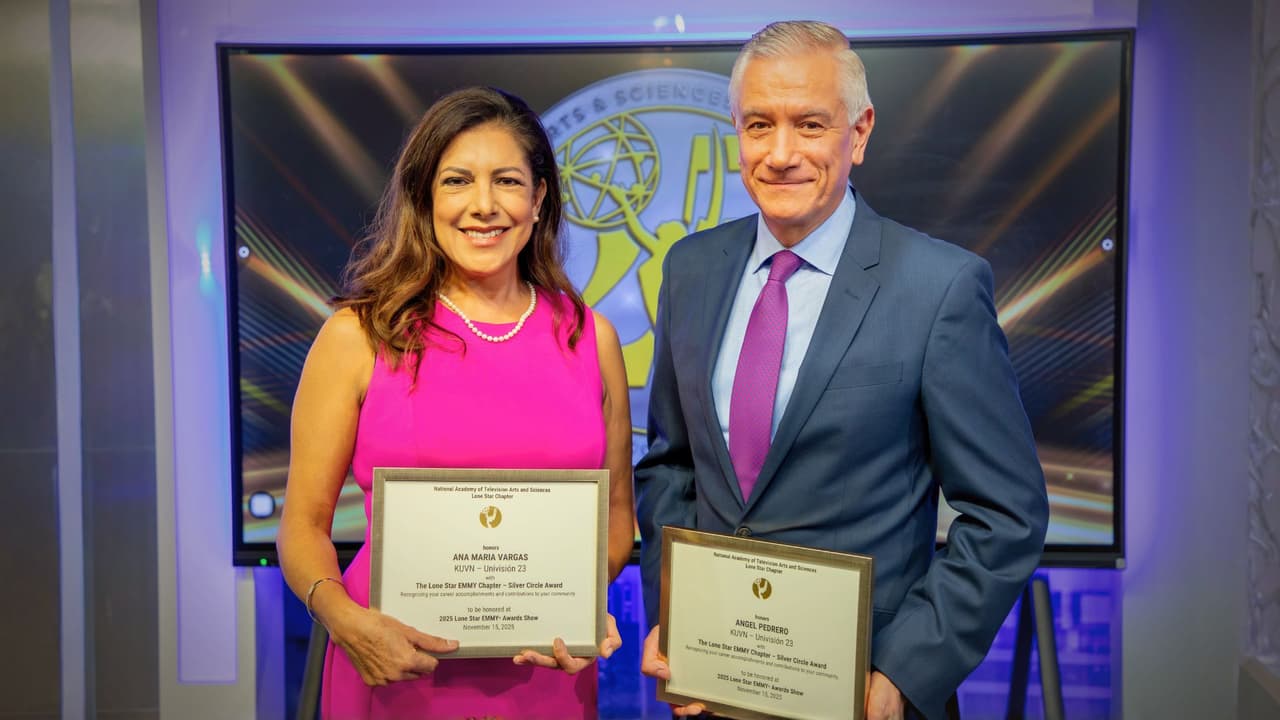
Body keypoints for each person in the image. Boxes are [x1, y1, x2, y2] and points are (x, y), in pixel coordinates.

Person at [635, 21, 1049, 720]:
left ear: (859, 133)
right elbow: (670, 466)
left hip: (864, 697)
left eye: (810, 124)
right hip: (712, 692)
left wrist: (905, 672)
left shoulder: (938, 286)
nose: (781, 153)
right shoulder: (690, 269)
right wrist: (672, 617)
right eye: (758, 125)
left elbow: (1006, 515)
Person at [277, 86, 636, 720]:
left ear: (538, 198)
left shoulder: (591, 337)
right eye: (456, 181)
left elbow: (615, 522)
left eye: (506, 181)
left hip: (547, 676)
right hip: (394, 668)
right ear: (425, 197)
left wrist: (580, 602)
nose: (483, 206)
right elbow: (302, 526)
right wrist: (346, 623)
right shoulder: (358, 334)